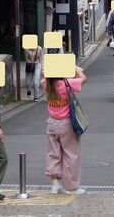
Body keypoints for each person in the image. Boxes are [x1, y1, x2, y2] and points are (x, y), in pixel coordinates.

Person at [42, 66, 87, 195]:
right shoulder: (66, 84)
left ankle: (55, 184)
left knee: (53, 153)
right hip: (66, 123)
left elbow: (46, 75)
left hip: (51, 123)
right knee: (71, 154)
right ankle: (71, 187)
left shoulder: (46, 84)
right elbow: (83, 78)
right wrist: (74, 67)